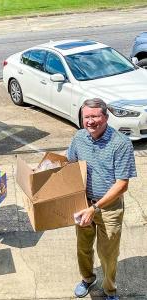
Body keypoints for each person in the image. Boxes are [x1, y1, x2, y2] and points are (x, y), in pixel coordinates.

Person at [67, 98, 137, 300]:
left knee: (108, 254)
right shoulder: (79, 137)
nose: (90, 121)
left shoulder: (120, 144)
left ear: (106, 117)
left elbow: (122, 184)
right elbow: (70, 164)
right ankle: (88, 279)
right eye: (86, 117)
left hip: (109, 209)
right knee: (83, 247)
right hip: (83, 203)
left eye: (95, 116)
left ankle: (109, 290)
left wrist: (95, 208)